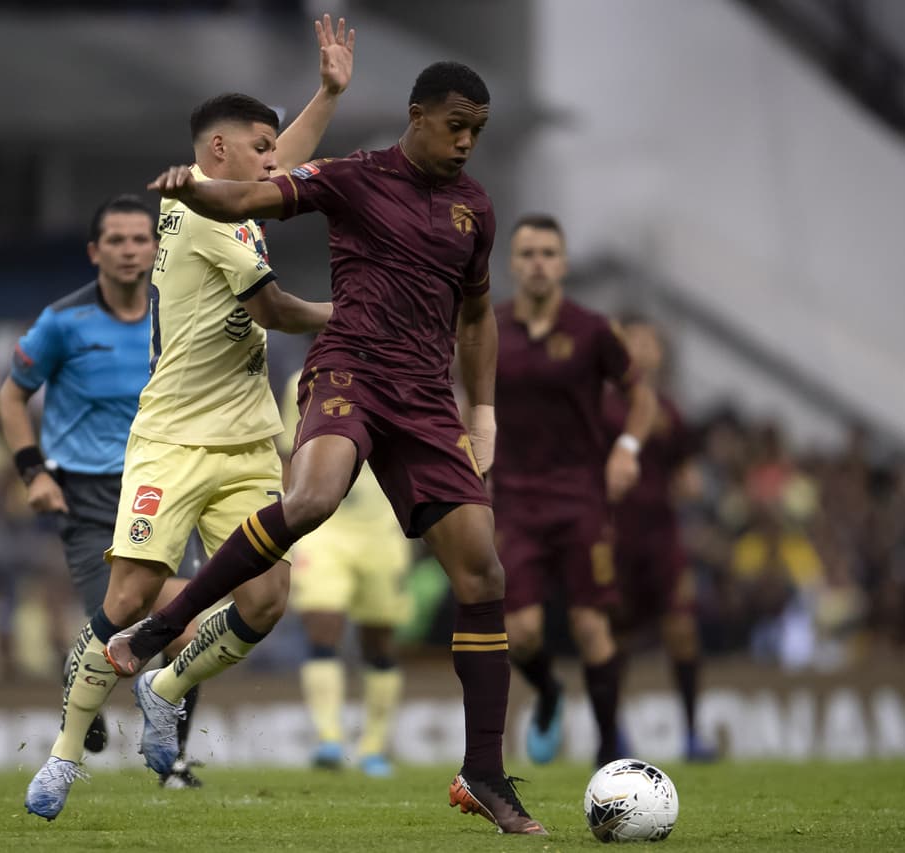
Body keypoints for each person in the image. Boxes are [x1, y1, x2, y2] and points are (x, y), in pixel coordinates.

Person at [107, 60, 548, 836]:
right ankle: (160, 628)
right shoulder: (353, 177)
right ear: (417, 116)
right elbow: (249, 197)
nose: (466, 143)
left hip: (425, 397)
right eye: (455, 127)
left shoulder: (474, 207)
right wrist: (192, 191)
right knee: (312, 497)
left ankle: (482, 771)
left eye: (477, 131)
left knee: (483, 572)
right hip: (351, 369)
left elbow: (477, 317)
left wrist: (482, 409)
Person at [22, 13, 352, 820]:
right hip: (172, 439)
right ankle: (64, 756)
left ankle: (167, 687)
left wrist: (328, 94)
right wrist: (356, 315)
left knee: (266, 599)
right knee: (132, 594)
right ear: (219, 152)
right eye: (260, 150)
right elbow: (275, 310)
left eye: (273, 151)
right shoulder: (203, 215)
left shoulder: (230, 199)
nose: (274, 163)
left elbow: (287, 162)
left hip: (247, 442)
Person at [0, 194, 210, 790]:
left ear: (156, 248)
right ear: (95, 251)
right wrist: (33, 472)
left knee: (186, 627)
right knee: (123, 627)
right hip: (89, 497)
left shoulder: (178, 312)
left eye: (140, 239)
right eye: (116, 240)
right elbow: (11, 396)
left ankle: (173, 760)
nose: (129, 250)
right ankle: (83, 689)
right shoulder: (63, 322)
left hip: (164, 487)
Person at [490, 214, 657, 770]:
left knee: (590, 624)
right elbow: (467, 400)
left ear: (562, 264)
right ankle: (550, 692)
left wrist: (626, 448)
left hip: (580, 497)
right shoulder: (489, 328)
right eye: (528, 254)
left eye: (548, 253)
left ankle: (610, 750)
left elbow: (641, 396)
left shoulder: (593, 330)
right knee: (521, 634)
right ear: (513, 264)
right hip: (514, 501)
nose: (538, 263)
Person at [277, 368, 411, 777]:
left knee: (379, 640)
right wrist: (288, 519)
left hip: (382, 527)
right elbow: (288, 454)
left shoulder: (399, 375)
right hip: (324, 529)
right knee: (322, 623)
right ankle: (329, 740)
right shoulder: (303, 381)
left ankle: (373, 747)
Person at [601, 316, 716, 762]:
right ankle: (612, 733)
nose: (640, 348)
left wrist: (691, 482)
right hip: (615, 537)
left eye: (648, 342)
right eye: (632, 340)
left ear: (660, 353)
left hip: (662, 538)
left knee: (682, 629)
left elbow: (685, 469)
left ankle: (691, 733)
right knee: (617, 637)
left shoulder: (670, 411)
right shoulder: (602, 407)